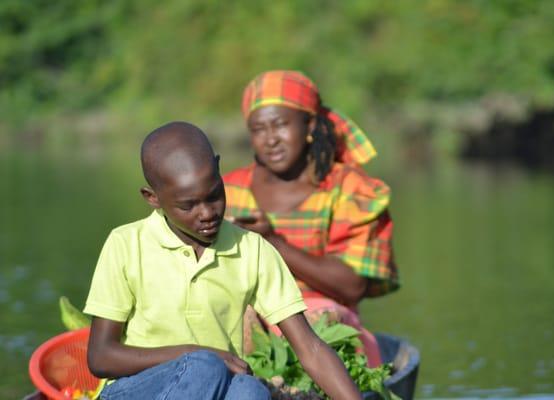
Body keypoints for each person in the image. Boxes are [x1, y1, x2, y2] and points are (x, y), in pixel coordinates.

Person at [83, 121, 362, 400]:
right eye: (188, 205)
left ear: (218, 170)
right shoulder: (126, 244)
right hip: (136, 392)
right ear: (152, 197)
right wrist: (194, 354)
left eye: (214, 195)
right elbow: (101, 357)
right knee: (206, 367)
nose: (207, 213)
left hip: (214, 387)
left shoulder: (252, 249)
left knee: (249, 389)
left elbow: (310, 348)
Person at [223, 70, 400, 367]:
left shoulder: (349, 189)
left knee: (321, 319)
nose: (270, 140)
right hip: (244, 319)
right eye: (258, 129)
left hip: (324, 323)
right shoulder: (227, 190)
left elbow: (352, 285)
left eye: (280, 125)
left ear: (310, 124)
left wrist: (273, 242)